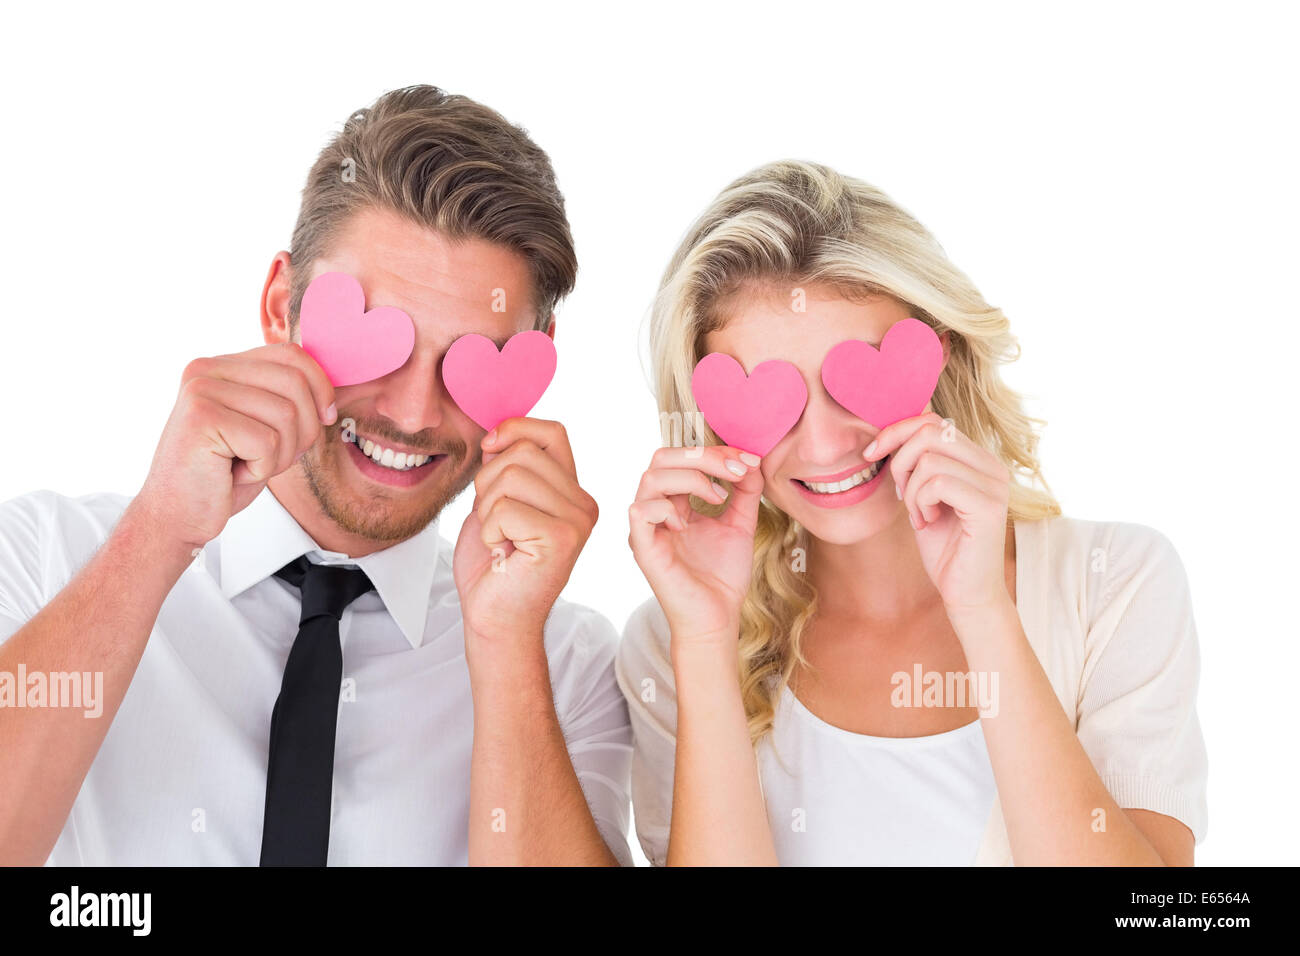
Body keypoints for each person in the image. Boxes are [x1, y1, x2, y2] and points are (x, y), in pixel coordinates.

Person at [0, 85, 632, 866]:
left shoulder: (566, 664)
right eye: (381, 341)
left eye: (469, 360)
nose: (413, 411)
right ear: (280, 305)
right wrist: (159, 533)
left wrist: (503, 646)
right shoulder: (45, 557)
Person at [619, 159, 1207, 866]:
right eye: (771, 398)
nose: (827, 443)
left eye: (854, 376)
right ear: (711, 420)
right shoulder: (672, 641)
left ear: (939, 359)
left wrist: (983, 609)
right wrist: (707, 644)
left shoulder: (1115, 583)